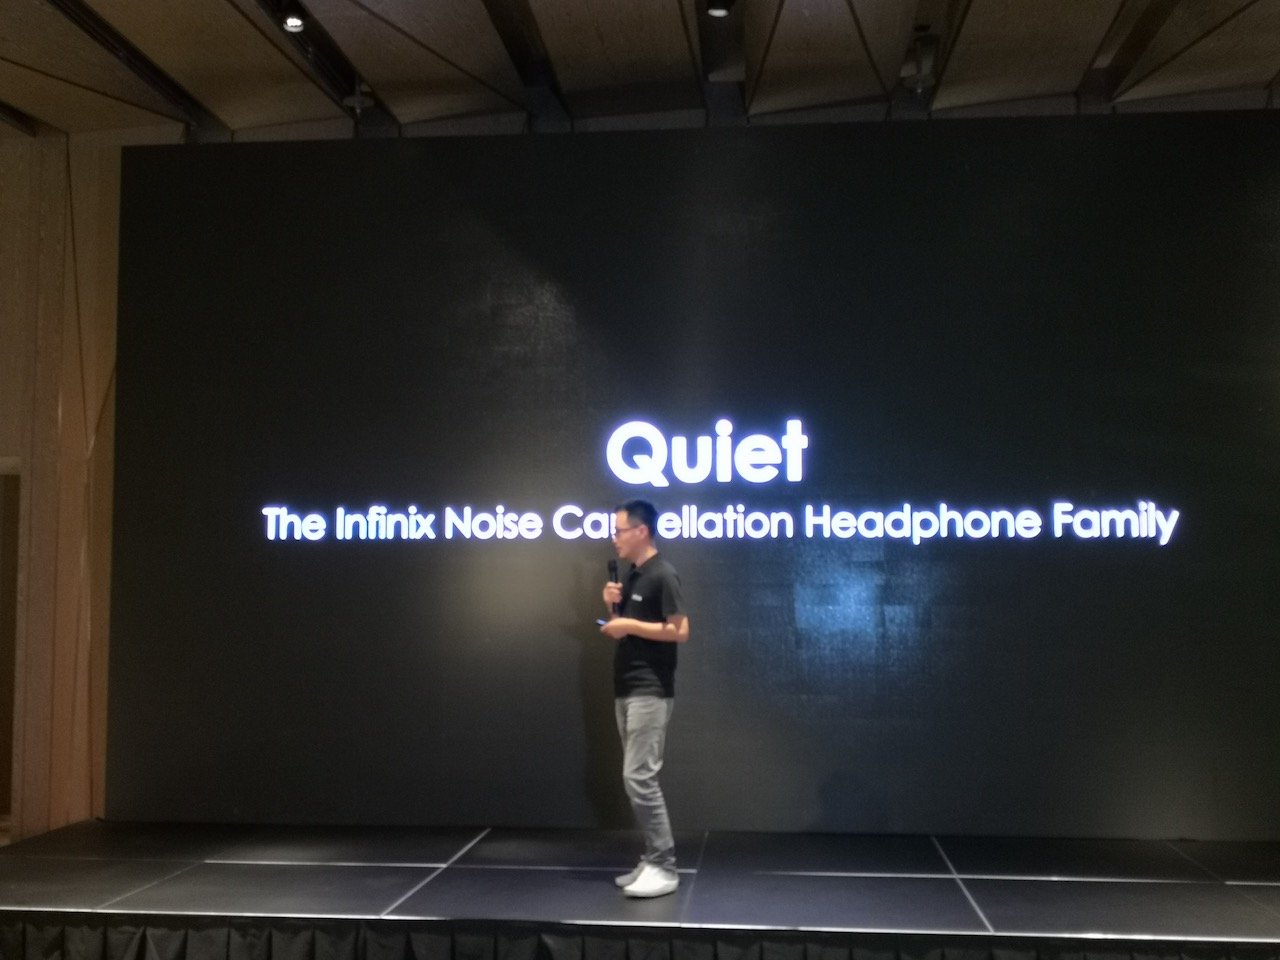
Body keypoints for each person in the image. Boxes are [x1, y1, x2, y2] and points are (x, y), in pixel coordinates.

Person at [600, 498, 688, 898]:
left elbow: (680, 631)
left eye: (619, 531)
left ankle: (665, 867)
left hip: (650, 690)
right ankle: (652, 859)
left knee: (639, 777)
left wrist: (630, 625)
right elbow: (625, 627)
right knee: (637, 777)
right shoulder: (634, 575)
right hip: (627, 687)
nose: (614, 538)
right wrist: (612, 610)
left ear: (641, 531)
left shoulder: (663, 574)